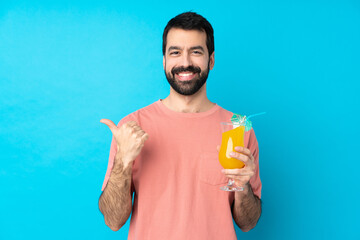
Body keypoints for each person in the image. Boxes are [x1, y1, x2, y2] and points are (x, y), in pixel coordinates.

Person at [98, 12, 262, 239]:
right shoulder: (132, 127)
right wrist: (123, 162)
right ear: (164, 61)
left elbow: (248, 223)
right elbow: (113, 221)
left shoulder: (239, 129)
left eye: (196, 52)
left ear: (211, 60)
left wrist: (244, 187)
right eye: (175, 52)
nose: (185, 62)